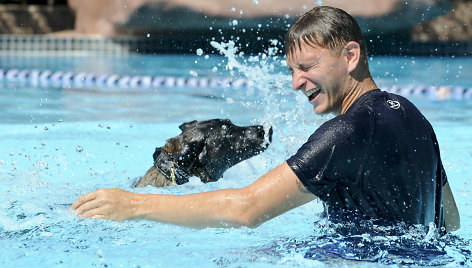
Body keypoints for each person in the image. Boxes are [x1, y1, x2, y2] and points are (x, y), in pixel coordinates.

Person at [71, 6, 460, 233]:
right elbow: (451, 220)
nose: (296, 83)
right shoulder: (413, 116)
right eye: (291, 71)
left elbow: (246, 208)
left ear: (351, 56)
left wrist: (134, 205)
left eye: (307, 67)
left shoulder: (345, 132)